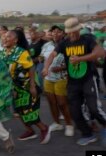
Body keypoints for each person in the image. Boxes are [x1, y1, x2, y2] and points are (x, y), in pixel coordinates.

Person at [43, 17, 106, 146]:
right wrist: (46, 67)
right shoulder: (64, 43)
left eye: (74, 31)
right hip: (73, 82)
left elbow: (101, 52)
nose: (72, 34)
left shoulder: (87, 39)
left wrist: (80, 58)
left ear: (79, 29)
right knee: (74, 111)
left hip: (88, 78)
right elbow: (52, 55)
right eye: (70, 32)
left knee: (94, 109)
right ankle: (87, 134)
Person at [1, 30, 51, 144]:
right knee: (18, 111)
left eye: (8, 37)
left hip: (28, 86)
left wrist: (33, 86)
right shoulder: (4, 52)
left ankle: (44, 128)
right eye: (4, 36)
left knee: (29, 111)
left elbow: (31, 68)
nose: (5, 38)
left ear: (15, 40)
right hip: (15, 87)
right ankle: (30, 131)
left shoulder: (21, 52)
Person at [43, 24, 74, 136]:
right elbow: (43, 57)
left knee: (62, 103)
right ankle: (57, 123)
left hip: (62, 78)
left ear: (64, 33)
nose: (55, 34)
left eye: (58, 31)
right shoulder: (46, 45)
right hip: (48, 78)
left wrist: (61, 68)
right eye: (53, 31)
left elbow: (75, 61)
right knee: (52, 103)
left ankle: (69, 124)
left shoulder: (68, 45)